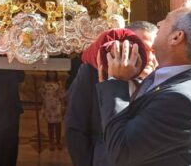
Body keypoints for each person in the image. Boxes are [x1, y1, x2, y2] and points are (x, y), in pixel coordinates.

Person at [97, 0, 191, 166]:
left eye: (166, 20)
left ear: (176, 37)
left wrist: (117, 82)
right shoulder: (170, 80)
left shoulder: (182, 100)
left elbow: (122, 152)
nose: (158, 23)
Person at [65, 20, 158, 166]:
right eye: (142, 49)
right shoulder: (92, 73)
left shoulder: (161, 81)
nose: (150, 58)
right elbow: (76, 128)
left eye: (154, 51)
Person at [40, 71, 66, 150]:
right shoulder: (44, 83)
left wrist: (63, 106)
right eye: (50, 72)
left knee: (58, 124)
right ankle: (51, 142)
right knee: (50, 124)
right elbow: (42, 94)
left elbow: (62, 94)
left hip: (56, 105)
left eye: (53, 72)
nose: (51, 74)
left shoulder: (59, 83)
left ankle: (58, 141)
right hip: (48, 106)